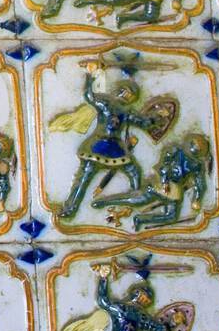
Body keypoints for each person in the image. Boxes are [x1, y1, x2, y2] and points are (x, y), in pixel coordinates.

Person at [60, 61, 162, 220]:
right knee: (86, 176)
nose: (129, 96)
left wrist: (157, 117)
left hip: (113, 147)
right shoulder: (107, 103)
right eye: (127, 92)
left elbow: (144, 122)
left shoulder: (125, 111)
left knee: (133, 171)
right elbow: (89, 96)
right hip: (100, 145)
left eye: (131, 95)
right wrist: (90, 75)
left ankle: (134, 198)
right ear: (120, 91)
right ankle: (71, 207)